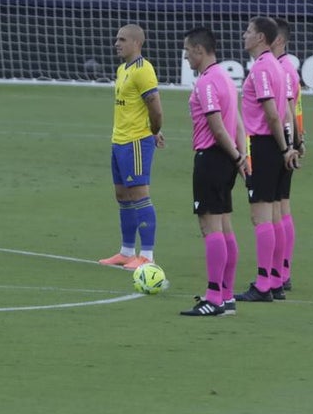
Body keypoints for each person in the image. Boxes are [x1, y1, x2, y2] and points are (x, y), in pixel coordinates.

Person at [180, 28, 247, 317]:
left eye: (187, 50)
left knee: (210, 227)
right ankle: (227, 295)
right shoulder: (226, 79)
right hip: (227, 159)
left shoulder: (207, 82)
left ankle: (213, 298)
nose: (185, 56)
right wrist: (241, 157)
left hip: (211, 158)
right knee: (225, 226)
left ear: (199, 50)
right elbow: (239, 123)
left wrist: (234, 154)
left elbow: (218, 127)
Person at [235, 17, 299, 303]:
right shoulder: (277, 66)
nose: (244, 35)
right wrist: (290, 144)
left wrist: (285, 147)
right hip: (275, 145)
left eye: (249, 31)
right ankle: (273, 279)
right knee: (274, 214)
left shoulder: (262, 67)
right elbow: (287, 110)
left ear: (260, 37)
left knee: (260, 216)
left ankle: (263, 283)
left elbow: (273, 113)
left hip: (262, 145)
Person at [98, 24, 164, 271]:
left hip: (136, 142)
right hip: (119, 141)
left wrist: (153, 132)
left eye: (122, 39)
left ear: (137, 43)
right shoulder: (122, 69)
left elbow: (156, 107)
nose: (117, 43)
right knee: (122, 196)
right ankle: (127, 252)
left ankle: (147, 255)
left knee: (139, 195)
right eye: (116, 39)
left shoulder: (143, 70)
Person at [272, 18, 304, 293]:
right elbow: (297, 110)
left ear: (279, 41)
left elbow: (288, 111)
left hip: (278, 143)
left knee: (277, 208)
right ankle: (283, 270)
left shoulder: (280, 69)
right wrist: (299, 139)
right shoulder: (287, 69)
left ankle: (280, 271)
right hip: (289, 140)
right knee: (282, 206)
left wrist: (290, 144)